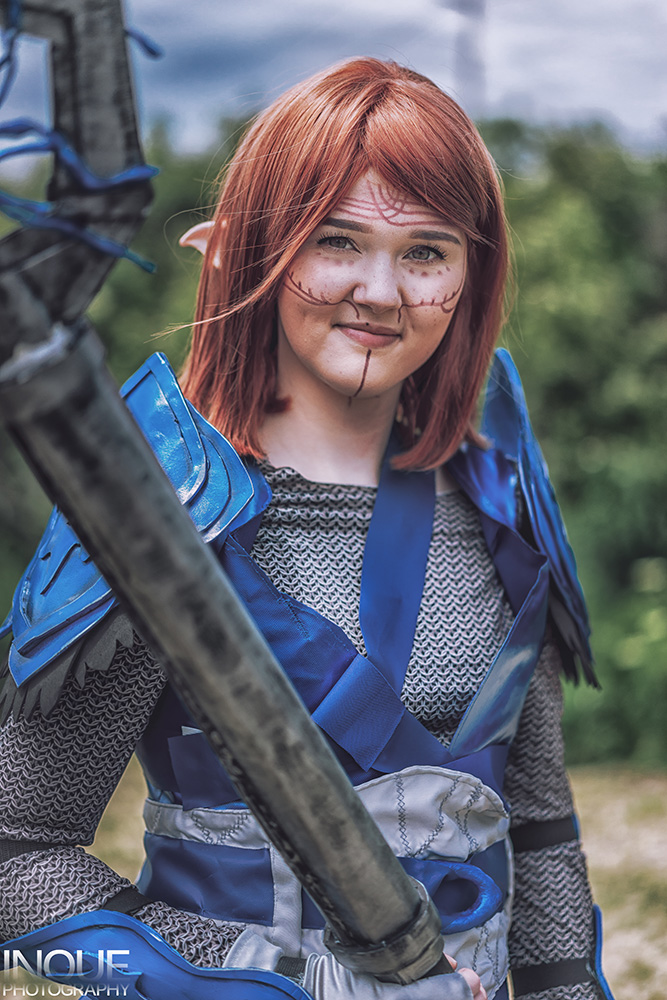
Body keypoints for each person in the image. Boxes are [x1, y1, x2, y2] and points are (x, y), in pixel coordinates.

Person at [0, 58, 612, 1000]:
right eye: (335, 240)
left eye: (425, 251)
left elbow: (535, 829)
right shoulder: (156, 509)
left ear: (470, 274)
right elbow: (15, 860)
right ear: (244, 253)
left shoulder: (494, 484)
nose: (380, 291)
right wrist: (271, 980)